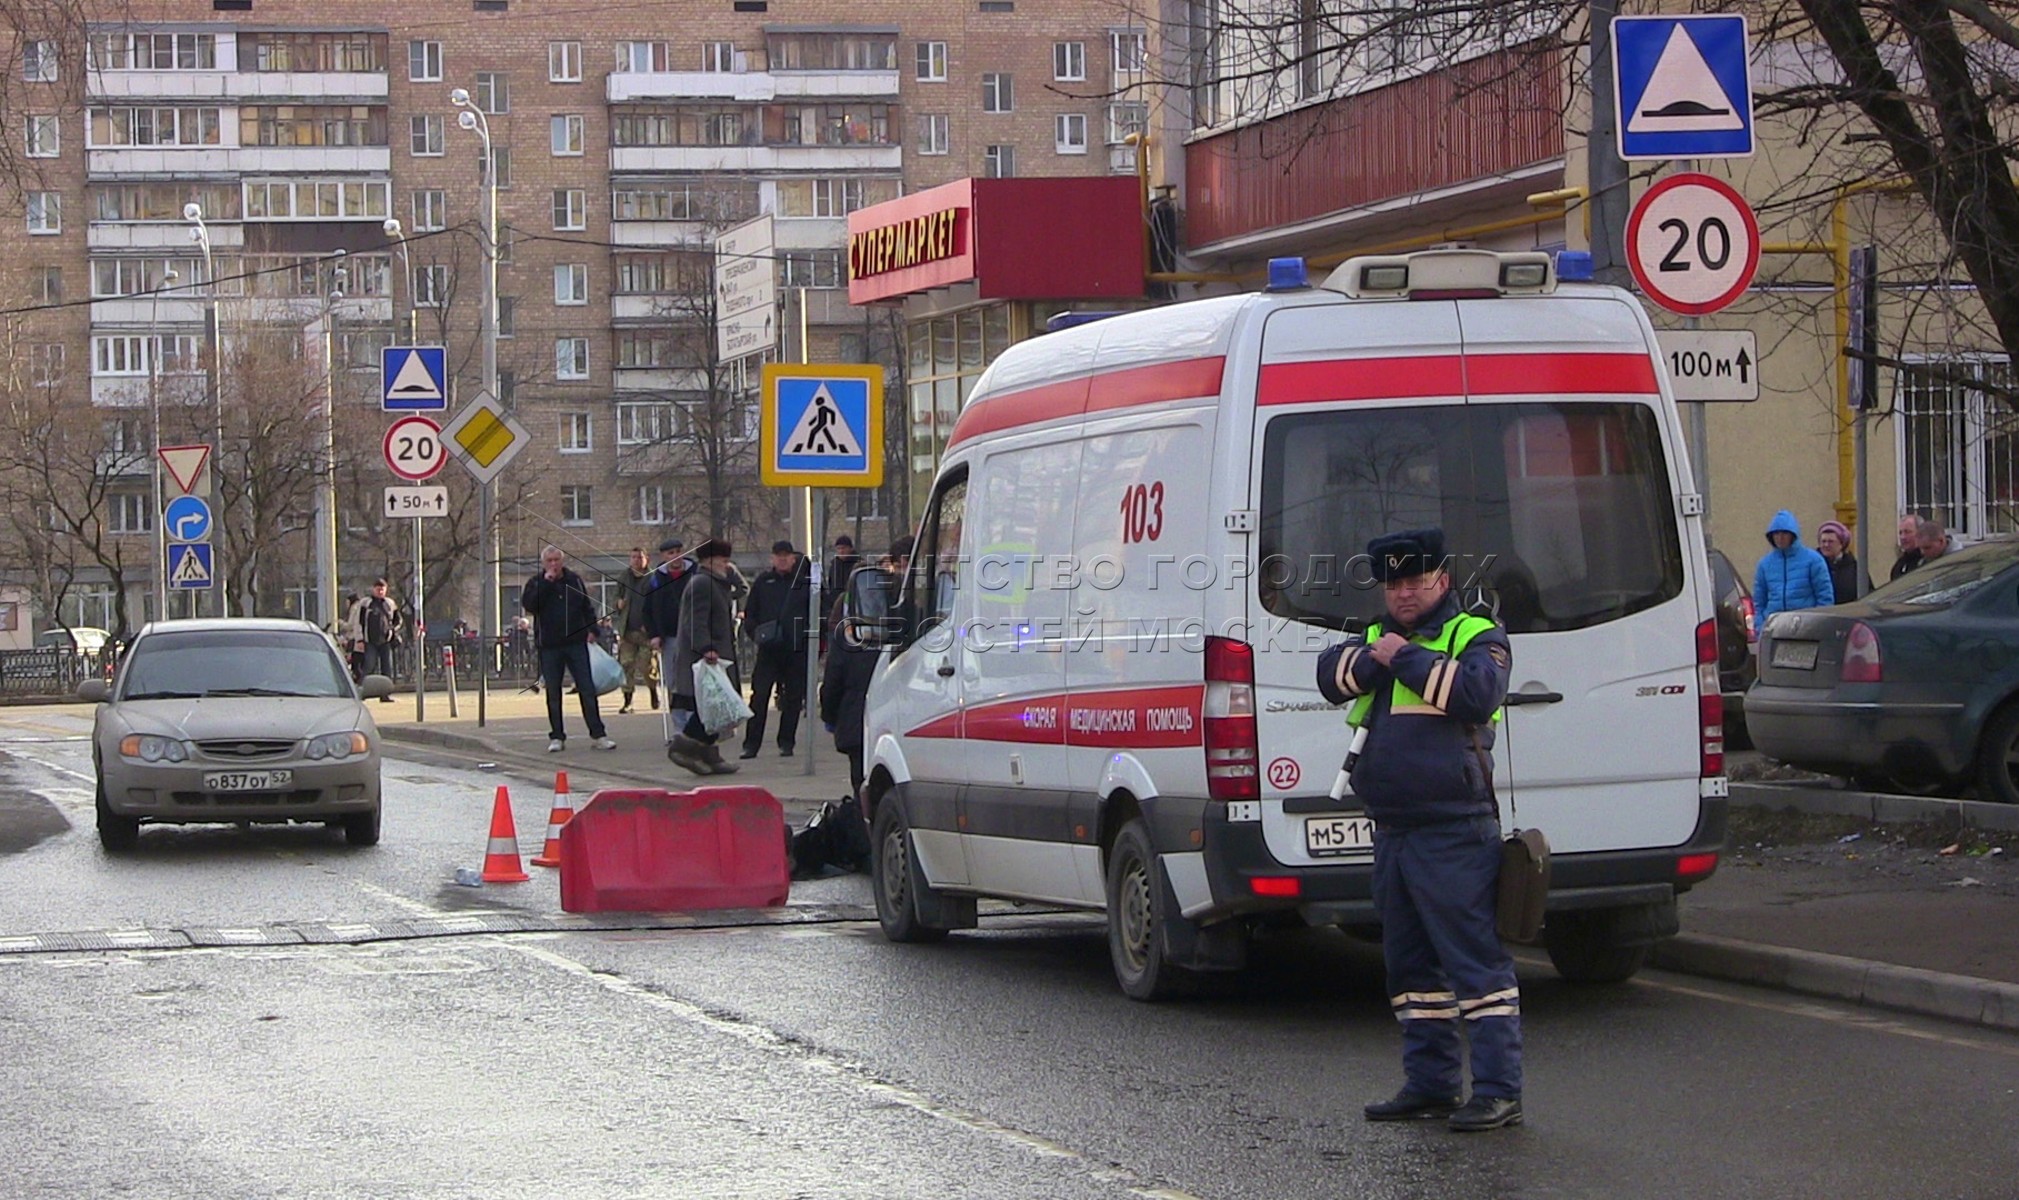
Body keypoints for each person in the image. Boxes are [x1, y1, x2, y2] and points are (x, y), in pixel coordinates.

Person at [1313, 527, 1521, 1132]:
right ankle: (1430, 1084)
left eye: (1416, 580)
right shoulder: (1376, 636)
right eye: (1394, 583)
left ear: (1443, 580)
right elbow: (1331, 676)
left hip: (1455, 829)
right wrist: (1376, 657)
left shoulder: (1476, 635)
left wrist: (1401, 657)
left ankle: (1499, 1091)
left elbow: (1477, 693)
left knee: (1475, 965)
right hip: (1394, 830)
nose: (1403, 593)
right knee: (1411, 970)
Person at [520, 545, 616, 753]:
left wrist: (593, 629)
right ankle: (557, 736)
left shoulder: (574, 580)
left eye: (557, 560)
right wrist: (546, 583)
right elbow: (530, 605)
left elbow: (586, 606)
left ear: (562, 561)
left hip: (576, 642)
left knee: (587, 689)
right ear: (544, 563)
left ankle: (598, 734)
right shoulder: (536, 582)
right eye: (549, 561)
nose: (554, 565)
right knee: (553, 692)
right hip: (550, 645)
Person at [668, 538, 740, 776]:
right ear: (710, 561)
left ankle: (710, 755)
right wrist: (706, 647)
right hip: (707, 656)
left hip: (717, 654)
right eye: (723, 560)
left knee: (714, 707)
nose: (727, 565)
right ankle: (684, 746)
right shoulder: (702, 584)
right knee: (709, 706)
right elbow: (695, 621)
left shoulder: (716, 583)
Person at [740, 540, 812, 759]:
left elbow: (818, 612)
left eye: (786, 555)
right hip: (769, 650)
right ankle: (751, 744)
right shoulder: (763, 582)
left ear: (793, 558)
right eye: (778, 555)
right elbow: (750, 613)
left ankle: (786, 742)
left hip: (795, 650)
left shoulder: (804, 583)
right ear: (772, 558)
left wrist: (807, 638)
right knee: (759, 696)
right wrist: (756, 635)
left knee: (792, 699)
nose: (782, 559)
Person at [820, 582, 880, 798]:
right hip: (890, 721)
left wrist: (830, 716)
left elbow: (833, 683)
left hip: (855, 719)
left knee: (861, 783)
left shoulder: (848, 637)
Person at [644, 537, 694, 745]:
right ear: (664, 556)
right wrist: (654, 634)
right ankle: (679, 728)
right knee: (673, 683)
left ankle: (695, 726)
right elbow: (648, 609)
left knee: (693, 681)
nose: (675, 557)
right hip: (670, 637)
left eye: (677, 551)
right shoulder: (656, 579)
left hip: (693, 637)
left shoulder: (695, 574)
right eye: (670, 553)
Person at [1751, 510, 1833, 637]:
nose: (1780, 537)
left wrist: (1816, 627)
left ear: (1793, 535)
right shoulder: (1764, 564)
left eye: (1784, 533)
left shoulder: (1813, 560)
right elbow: (1759, 602)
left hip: (1805, 628)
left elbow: (1824, 597)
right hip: (1773, 629)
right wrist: (1760, 627)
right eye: (1776, 533)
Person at [612, 547, 661, 714]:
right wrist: (617, 603)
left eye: (639, 557)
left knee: (646, 665)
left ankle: (653, 691)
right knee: (626, 665)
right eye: (633, 557)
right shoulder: (624, 577)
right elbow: (615, 597)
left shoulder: (653, 578)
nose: (636, 560)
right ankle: (627, 701)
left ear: (646, 559)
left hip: (647, 632)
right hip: (628, 631)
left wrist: (654, 626)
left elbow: (659, 602)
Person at [356, 579, 402, 699]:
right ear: (373, 589)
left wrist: (392, 629)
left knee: (387, 667)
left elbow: (398, 620)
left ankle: (385, 694)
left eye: (382, 589)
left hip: (385, 641)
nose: (380, 591)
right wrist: (360, 639)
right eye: (378, 588)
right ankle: (363, 691)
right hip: (369, 640)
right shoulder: (366, 603)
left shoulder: (389, 604)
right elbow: (359, 622)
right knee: (369, 666)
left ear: (386, 590)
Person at [1815, 521, 1865, 604]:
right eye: (1823, 541)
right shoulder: (1813, 565)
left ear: (1841, 544)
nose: (1826, 545)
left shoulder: (1855, 567)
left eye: (1831, 541)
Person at [822, 534, 862, 635]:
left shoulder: (858, 563)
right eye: (838, 549)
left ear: (850, 548)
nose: (841, 551)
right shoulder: (835, 565)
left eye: (843, 548)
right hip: (836, 604)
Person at [1889, 512, 1924, 581]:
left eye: (1907, 532)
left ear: (1920, 533)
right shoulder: (1899, 565)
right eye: (1900, 533)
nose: (1903, 537)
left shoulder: (1927, 560)